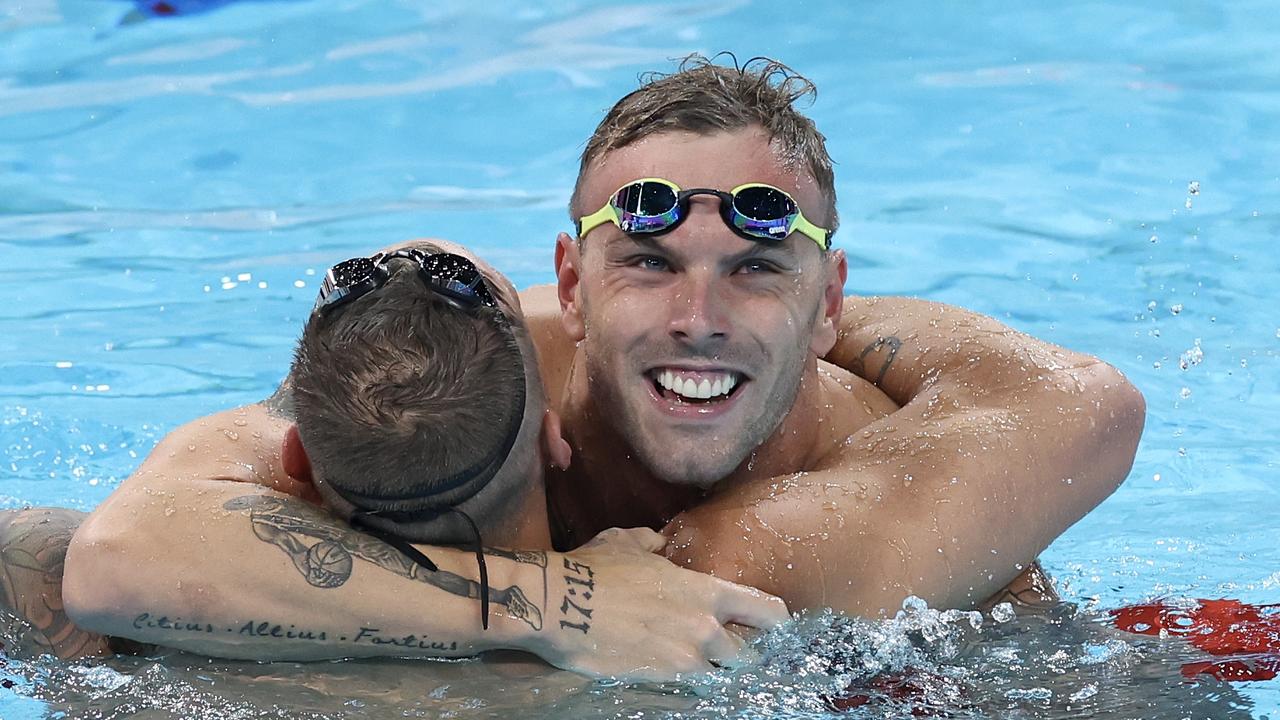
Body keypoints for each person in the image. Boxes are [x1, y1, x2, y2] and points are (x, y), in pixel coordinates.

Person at [61, 55, 1144, 672]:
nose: (696, 317)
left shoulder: (859, 478)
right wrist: (546, 600)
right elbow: (116, 551)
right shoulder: (472, 366)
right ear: (570, 291)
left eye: (756, 273)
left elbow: (1090, 406)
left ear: (831, 307)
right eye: (648, 265)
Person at [2, 239, 786, 678]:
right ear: (555, 440)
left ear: (296, 460)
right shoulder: (705, 644)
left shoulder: (132, 645)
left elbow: (107, 561)